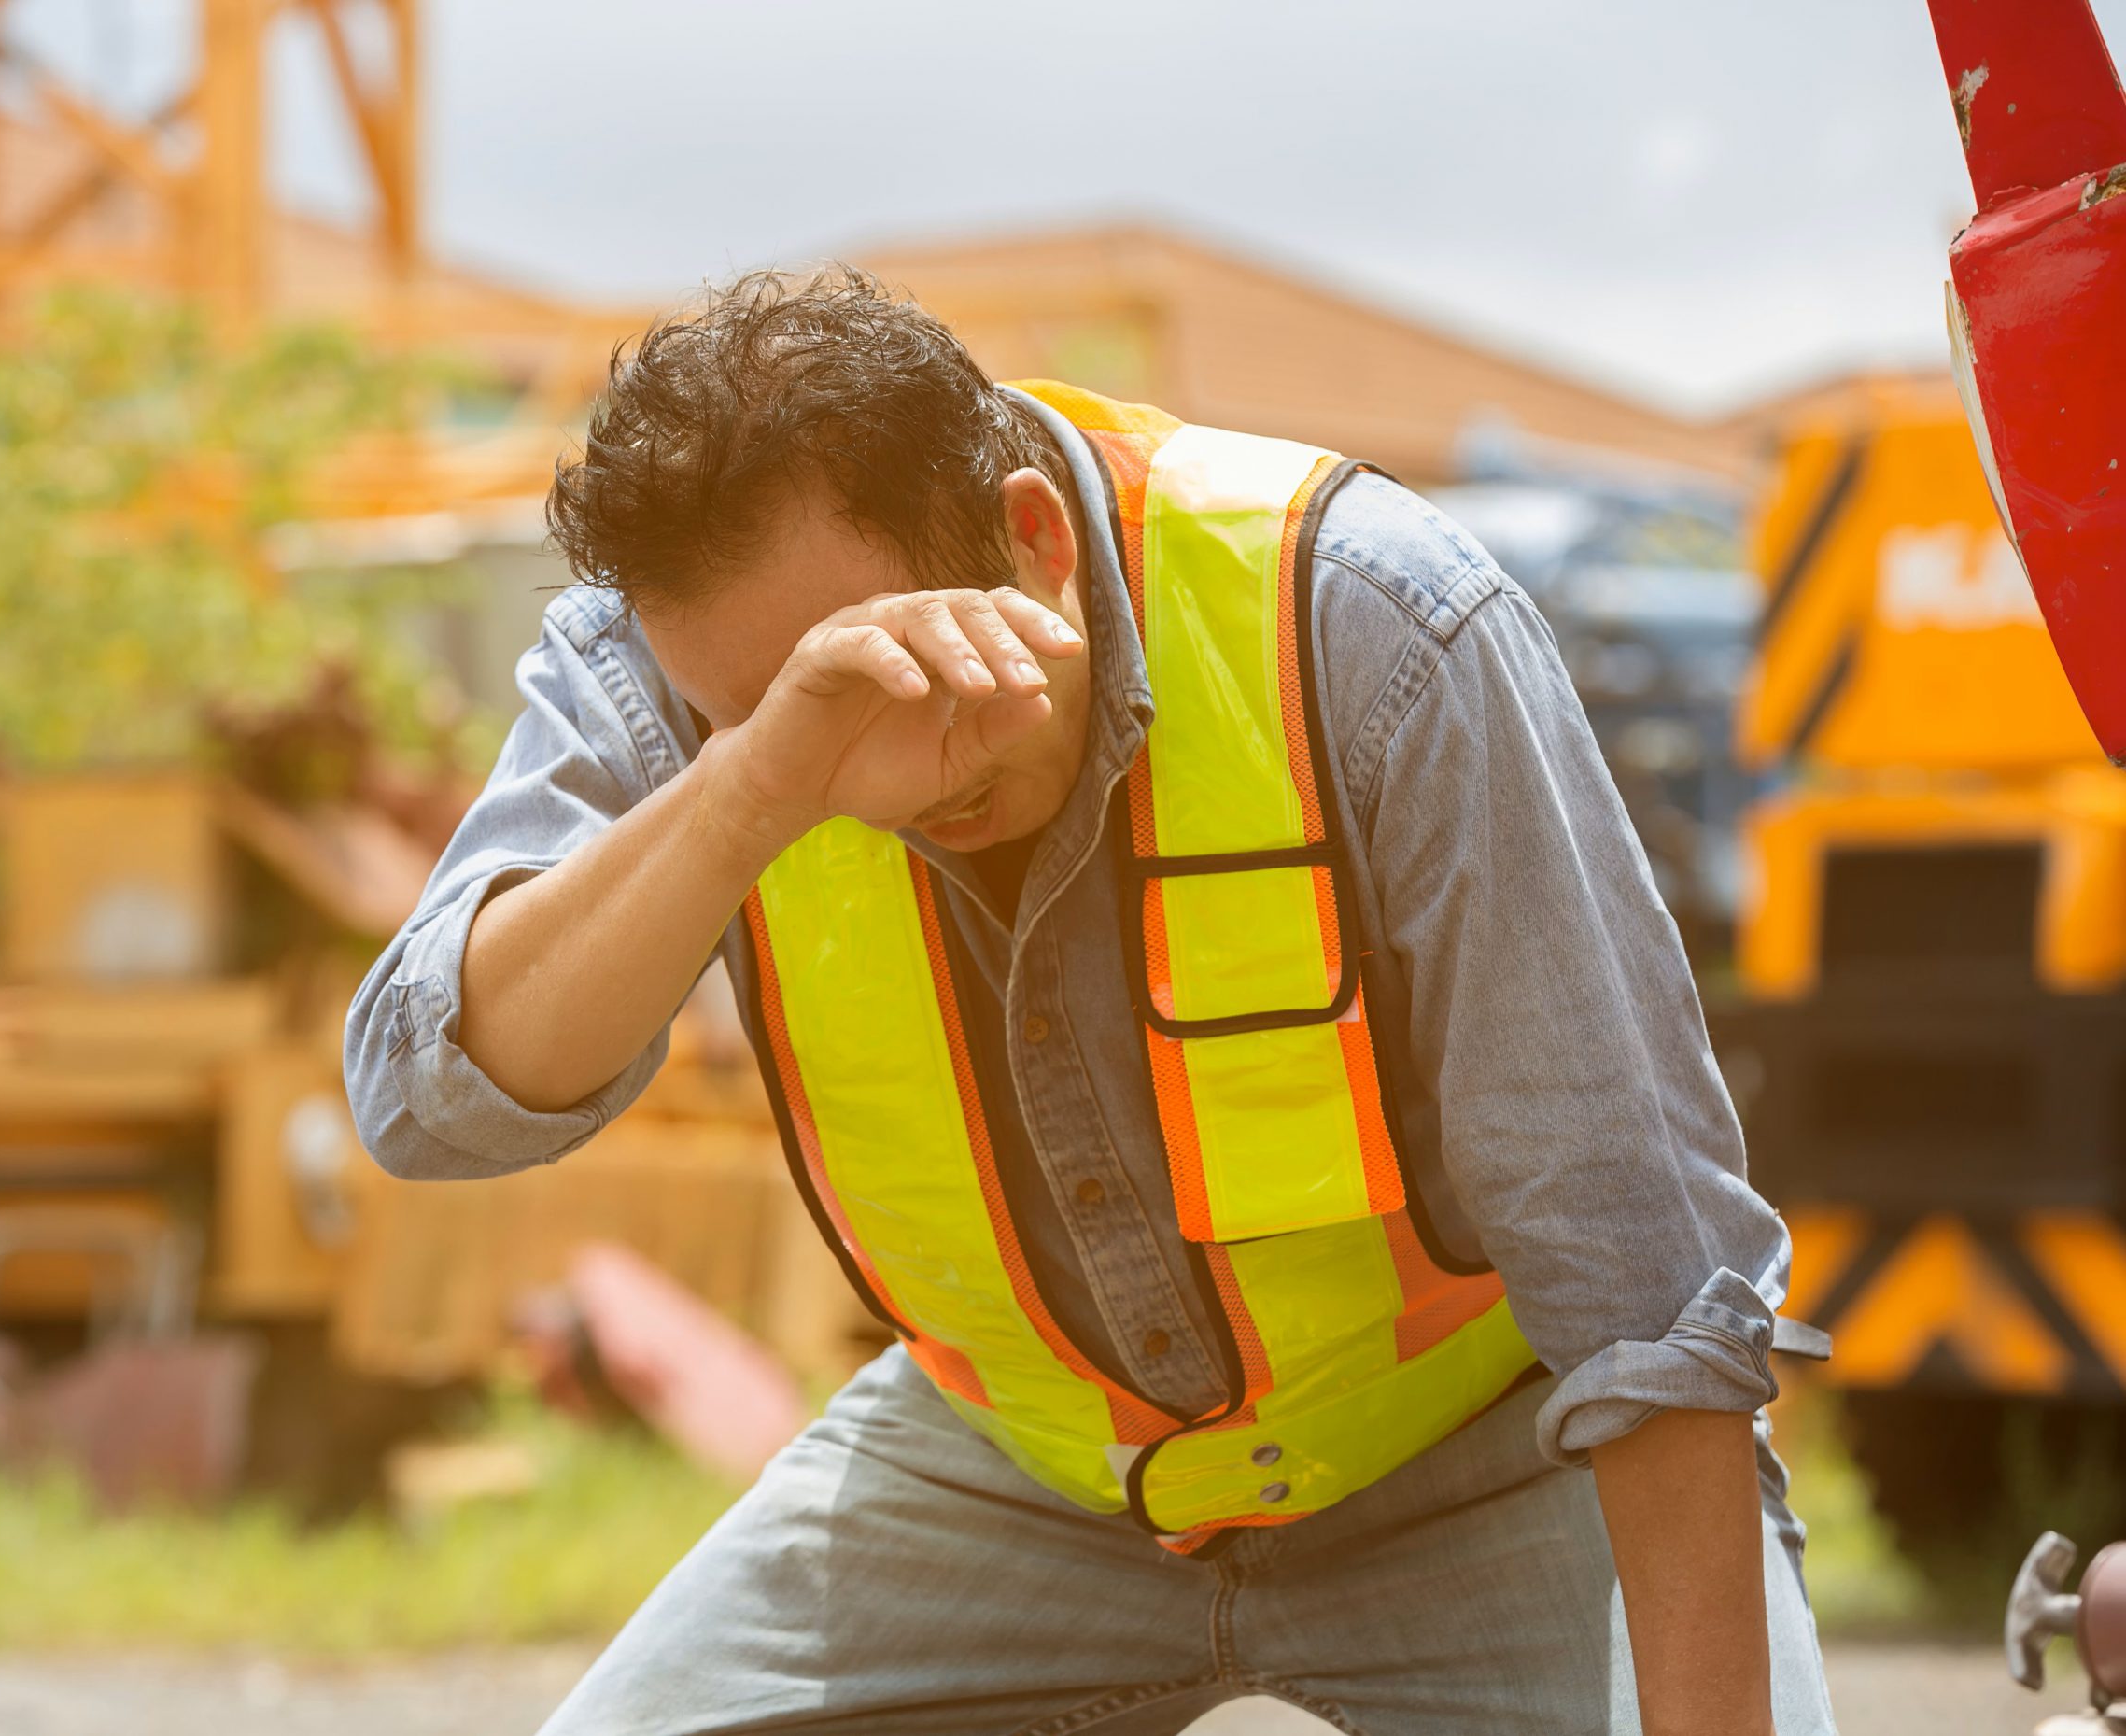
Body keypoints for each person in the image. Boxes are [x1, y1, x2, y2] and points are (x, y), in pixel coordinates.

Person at [345, 266, 1837, 1736]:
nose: (892, 777)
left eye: (909, 676)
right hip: (1018, 1469)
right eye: (799, 716)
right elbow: (427, 1103)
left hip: (1493, 1466)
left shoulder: (1379, 625)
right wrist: (747, 780)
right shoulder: (666, 681)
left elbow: (1648, 1293)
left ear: (1037, 537)